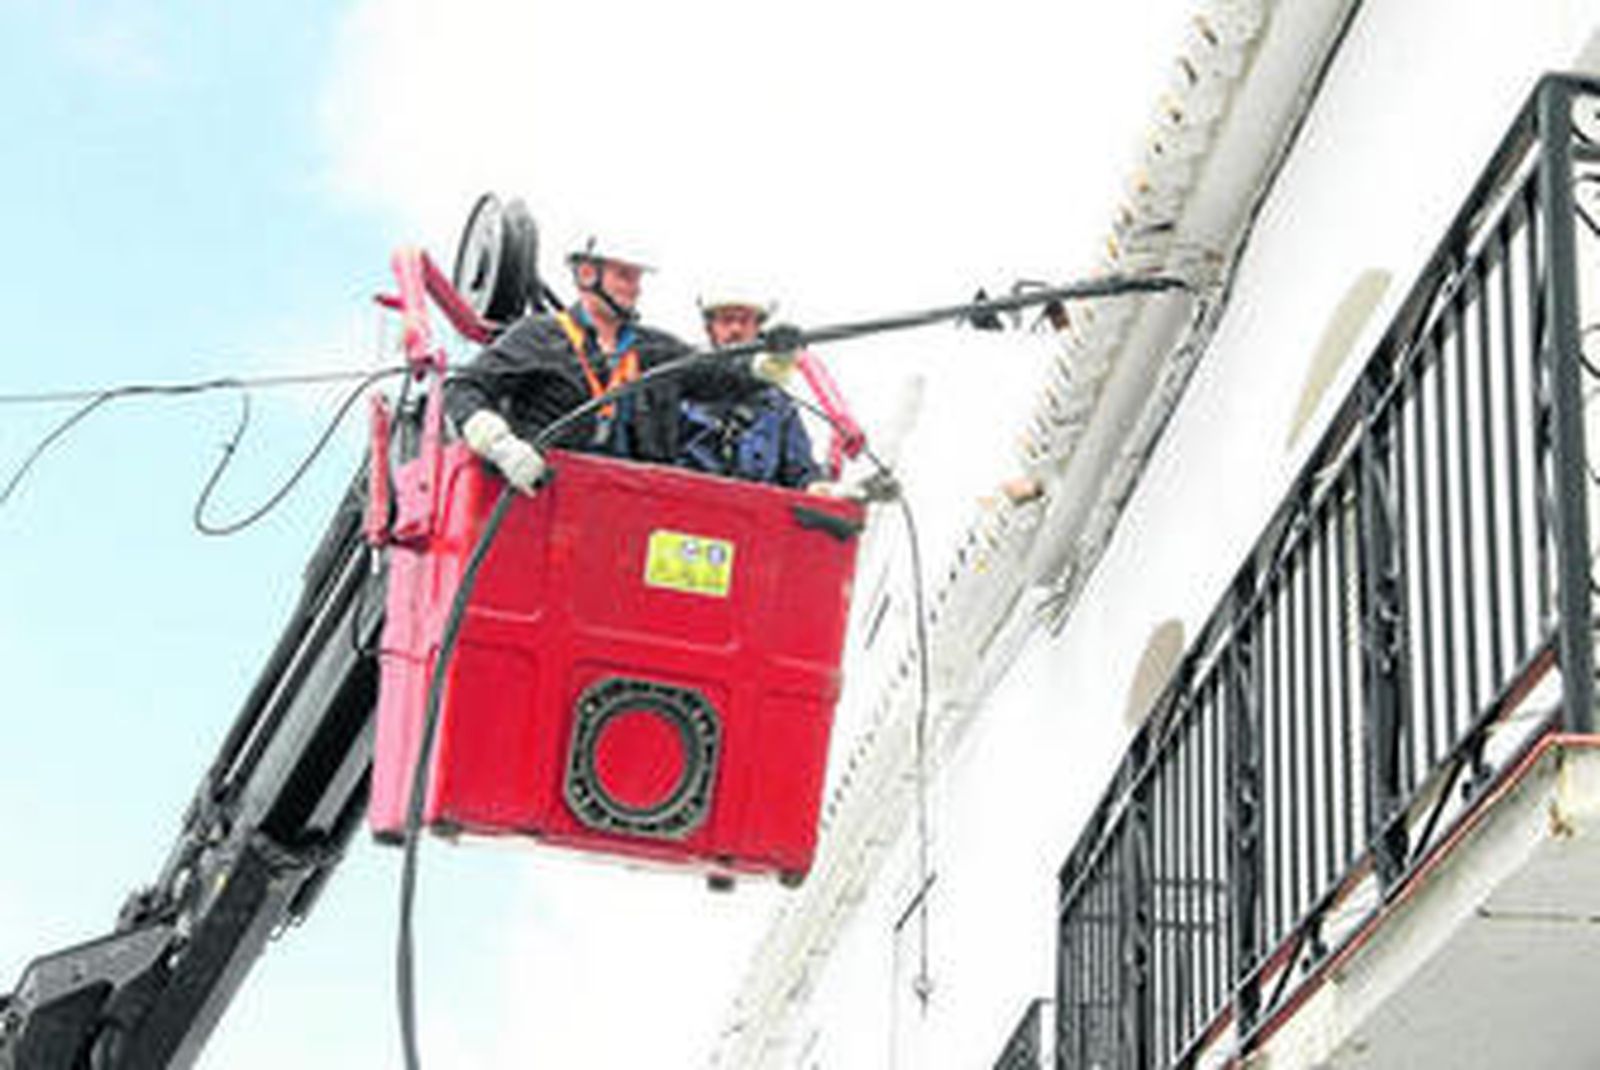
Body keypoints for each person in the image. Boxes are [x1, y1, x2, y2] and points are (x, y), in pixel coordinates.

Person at [444, 238, 767, 493]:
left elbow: (722, 380)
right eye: (624, 275)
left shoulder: (656, 350)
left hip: (635, 510)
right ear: (587, 274)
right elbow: (464, 388)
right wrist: (500, 444)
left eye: (637, 277)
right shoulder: (538, 336)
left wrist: (768, 365)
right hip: (547, 502)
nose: (635, 287)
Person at [677, 291, 822, 489]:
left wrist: (818, 487)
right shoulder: (681, 388)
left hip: (753, 513)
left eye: (745, 321)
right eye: (727, 320)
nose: (736, 329)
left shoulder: (778, 406)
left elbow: (800, 473)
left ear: (757, 329)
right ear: (710, 328)